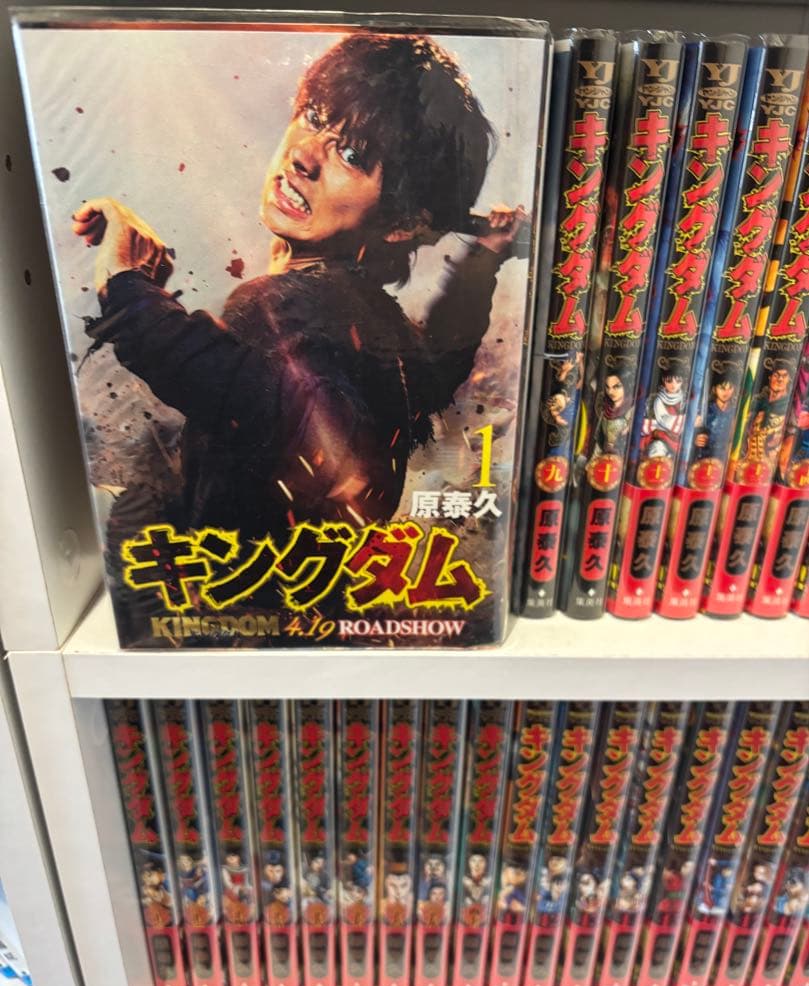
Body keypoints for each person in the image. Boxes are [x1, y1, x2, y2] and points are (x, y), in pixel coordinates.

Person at [73, 31, 527, 581]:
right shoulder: (376, 320)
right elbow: (441, 365)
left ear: (403, 222)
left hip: (242, 595)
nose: (303, 155)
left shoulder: (283, 303)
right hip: (314, 591)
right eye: (314, 116)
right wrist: (485, 259)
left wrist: (126, 286)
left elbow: (253, 392)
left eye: (352, 155)